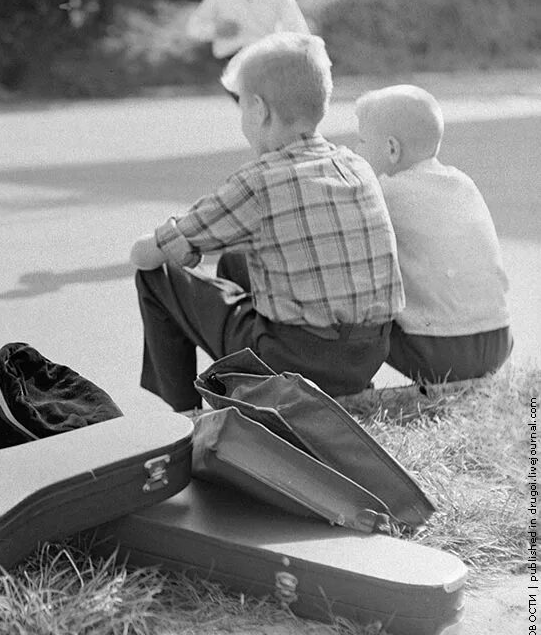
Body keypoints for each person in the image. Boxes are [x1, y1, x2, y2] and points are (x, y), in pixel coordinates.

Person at [129, 32, 402, 412]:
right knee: (236, 262)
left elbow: (144, 254)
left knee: (157, 279)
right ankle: (243, 395)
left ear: (259, 109)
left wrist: (175, 248)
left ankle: (186, 415)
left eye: (241, 107)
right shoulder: (356, 166)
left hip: (295, 363)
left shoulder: (258, 181)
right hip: (364, 356)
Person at [353, 84, 512, 382]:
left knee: (357, 297)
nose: (356, 151)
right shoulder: (463, 183)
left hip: (441, 354)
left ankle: (352, 383)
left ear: (391, 149)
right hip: (498, 339)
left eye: (361, 142)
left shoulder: (387, 191)